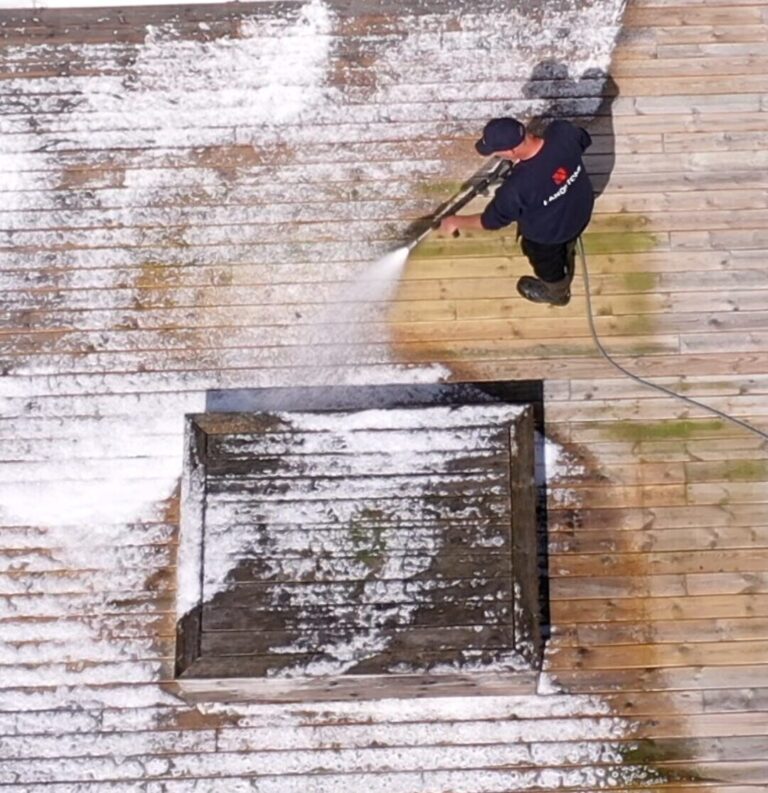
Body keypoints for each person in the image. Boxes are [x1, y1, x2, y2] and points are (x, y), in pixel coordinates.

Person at [439, 116, 594, 306]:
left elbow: (491, 221)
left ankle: (557, 294)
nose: (496, 155)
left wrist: (455, 221)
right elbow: (582, 140)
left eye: (497, 152)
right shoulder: (562, 132)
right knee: (567, 238)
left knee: (548, 266)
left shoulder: (517, 188)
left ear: (512, 151)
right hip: (581, 208)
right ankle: (568, 245)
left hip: (547, 236)